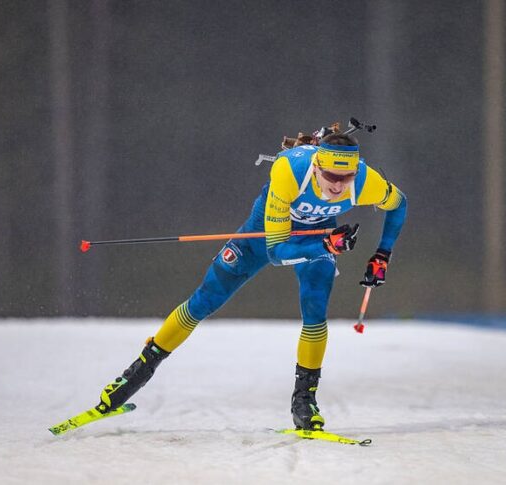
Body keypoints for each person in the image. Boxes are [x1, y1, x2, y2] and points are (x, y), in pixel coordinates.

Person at [96, 124, 407, 431]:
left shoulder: (365, 181)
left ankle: (304, 401)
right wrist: (326, 245)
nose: (338, 186)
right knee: (204, 301)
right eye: (331, 177)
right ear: (316, 167)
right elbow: (276, 253)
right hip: (264, 238)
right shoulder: (289, 171)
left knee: (315, 310)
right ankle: (134, 375)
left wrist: (382, 254)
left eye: (346, 177)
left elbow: (399, 204)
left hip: (317, 237)